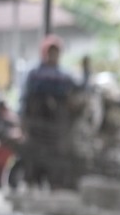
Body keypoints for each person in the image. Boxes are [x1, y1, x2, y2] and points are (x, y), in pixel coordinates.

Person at [20, 34, 83, 189]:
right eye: (50, 52)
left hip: (56, 125)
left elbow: (78, 91)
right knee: (34, 155)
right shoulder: (33, 73)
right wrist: (23, 121)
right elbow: (24, 98)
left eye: (56, 52)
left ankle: (55, 183)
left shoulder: (65, 75)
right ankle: (32, 183)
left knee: (56, 156)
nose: (53, 55)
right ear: (44, 52)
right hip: (36, 123)